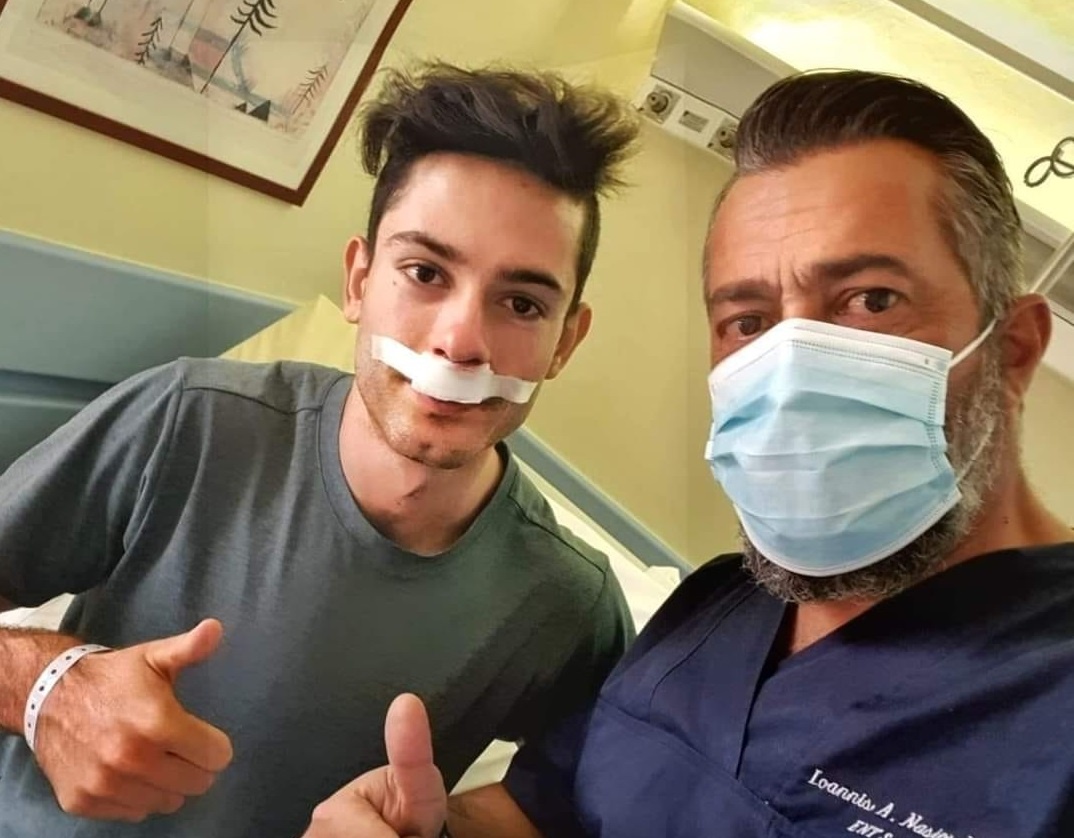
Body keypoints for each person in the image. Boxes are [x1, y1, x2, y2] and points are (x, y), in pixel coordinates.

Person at [306, 69, 1074, 838]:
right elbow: (543, 811)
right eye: (748, 321)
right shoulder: (714, 608)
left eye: (870, 300)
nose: (791, 370)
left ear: (1013, 350)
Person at [0, 63, 640, 837]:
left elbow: (567, 803)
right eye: (425, 272)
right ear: (359, 281)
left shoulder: (568, 606)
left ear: (566, 340)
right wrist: (44, 688)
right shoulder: (188, 422)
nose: (460, 341)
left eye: (523, 304)